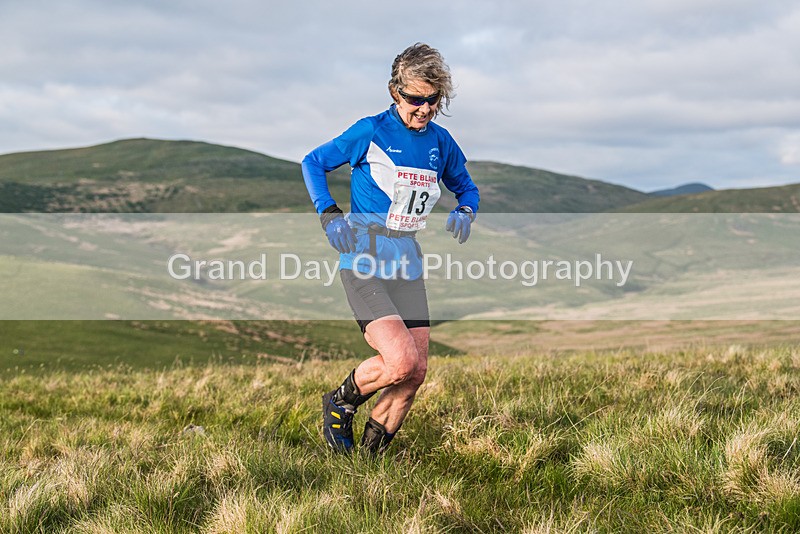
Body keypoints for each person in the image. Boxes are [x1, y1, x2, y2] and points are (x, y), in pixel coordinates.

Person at [301, 43, 480, 454]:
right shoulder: (370, 131)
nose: (424, 108)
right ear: (395, 92)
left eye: (432, 99)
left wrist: (466, 210)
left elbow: (466, 186)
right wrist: (329, 214)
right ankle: (340, 403)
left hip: (407, 264)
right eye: (415, 98)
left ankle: (368, 463)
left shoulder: (440, 141)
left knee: (415, 374)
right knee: (399, 361)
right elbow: (313, 162)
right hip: (364, 258)